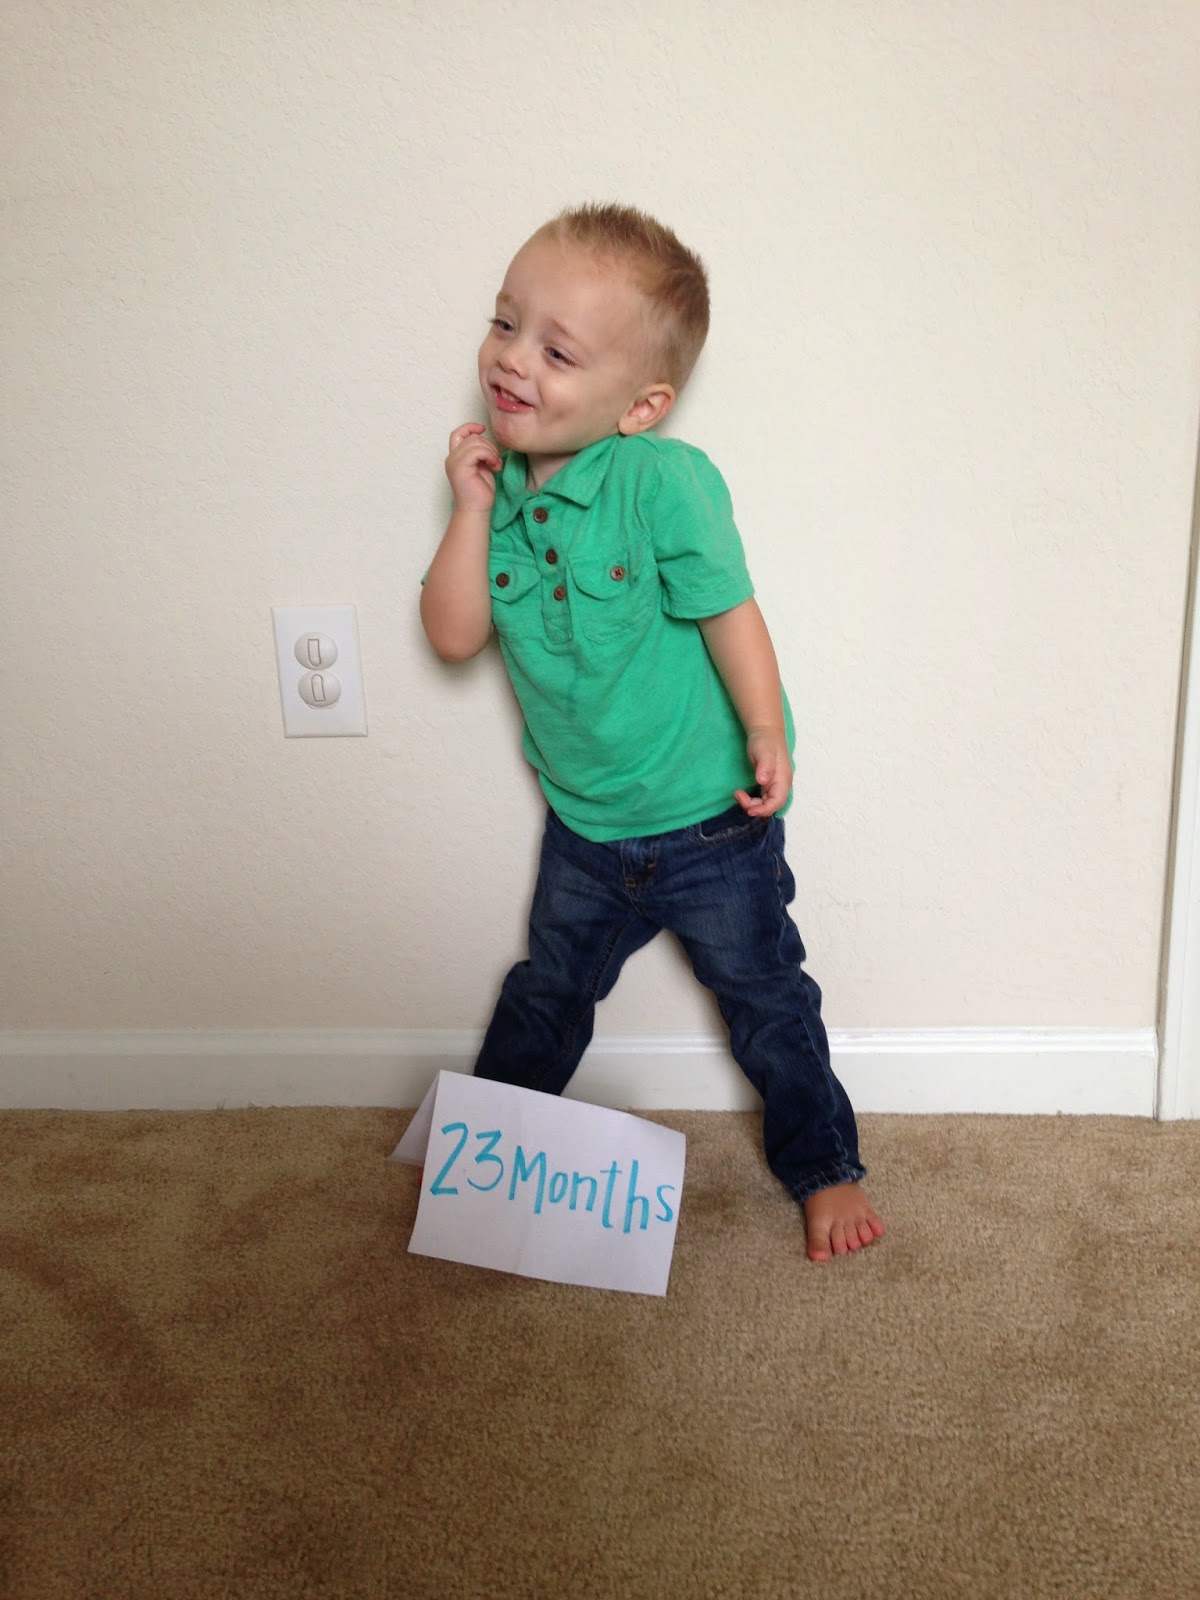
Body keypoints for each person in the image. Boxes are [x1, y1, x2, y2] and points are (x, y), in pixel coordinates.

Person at [420, 203, 884, 1263]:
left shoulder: (662, 482)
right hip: (585, 830)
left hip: (711, 822)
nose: (512, 359)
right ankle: (479, 1164)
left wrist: (766, 727)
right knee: (546, 991)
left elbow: (730, 612)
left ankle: (825, 1167)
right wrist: (468, 511)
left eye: (557, 351)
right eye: (505, 324)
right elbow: (453, 636)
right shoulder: (492, 492)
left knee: (766, 996)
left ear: (641, 405)